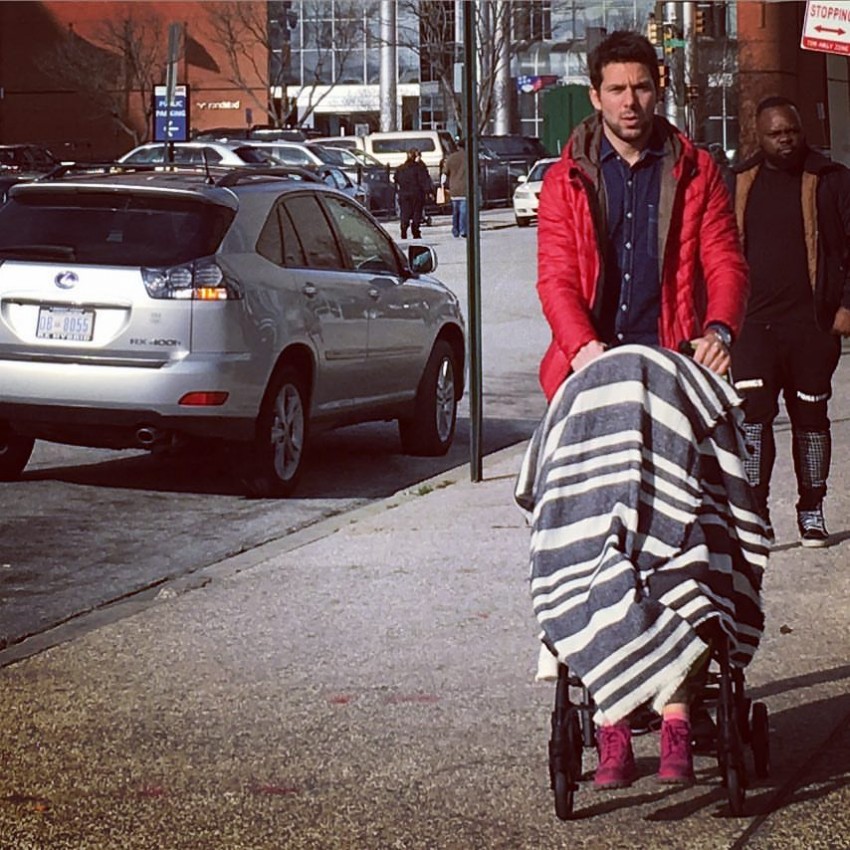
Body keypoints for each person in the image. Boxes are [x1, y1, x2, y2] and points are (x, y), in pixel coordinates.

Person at [533, 30, 752, 790]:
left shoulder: (695, 167)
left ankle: (680, 709)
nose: (632, 102)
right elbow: (556, 277)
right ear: (594, 96)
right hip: (594, 377)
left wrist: (720, 331)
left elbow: (724, 257)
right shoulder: (566, 178)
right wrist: (583, 347)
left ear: (659, 87)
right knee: (593, 546)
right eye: (617, 90)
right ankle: (613, 713)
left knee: (681, 541)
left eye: (642, 87)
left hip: (672, 373)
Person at [729, 95, 850, 547]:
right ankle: (755, 516)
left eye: (792, 131)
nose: (786, 139)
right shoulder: (739, 181)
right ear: (758, 136)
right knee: (753, 423)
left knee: (812, 420)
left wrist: (846, 306)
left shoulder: (831, 180)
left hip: (812, 327)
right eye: (776, 133)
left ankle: (811, 510)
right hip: (753, 328)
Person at [393, 148, 432, 240]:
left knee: (405, 212)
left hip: (404, 193)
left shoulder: (401, 168)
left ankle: (404, 227)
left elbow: (396, 179)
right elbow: (424, 180)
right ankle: (415, 229)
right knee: (416, 212)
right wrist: (429, 192)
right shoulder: (419, 168)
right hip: (417, 193)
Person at [442, 139, 468, 238]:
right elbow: (477, 172)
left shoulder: (451, 158)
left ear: (457, 146)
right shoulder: (469, 157)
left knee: (455, 211)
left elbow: (445, 173)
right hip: (465, 188)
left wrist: (443, 185)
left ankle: (455, 230)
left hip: (454, 188)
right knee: (463, 211)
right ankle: (463, 230)